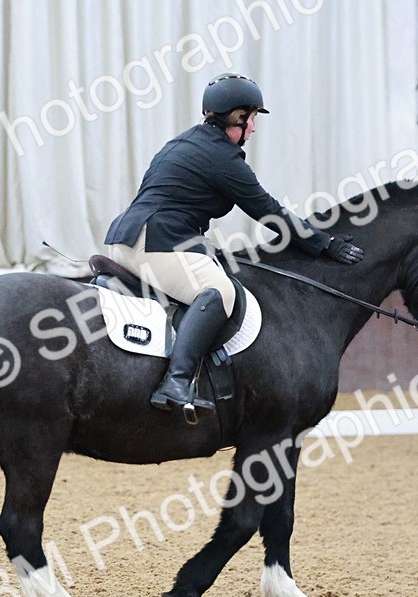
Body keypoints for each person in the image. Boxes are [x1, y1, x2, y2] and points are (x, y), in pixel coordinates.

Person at [104, 73, 364, 417]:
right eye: (251, 118)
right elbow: (268, 211)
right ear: (235, 118)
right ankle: (177, 382)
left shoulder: (184, 143)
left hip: (129, 236)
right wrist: (325, 244)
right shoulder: (222, 158)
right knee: (218, 293)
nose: (253, 129)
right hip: (156, 243)